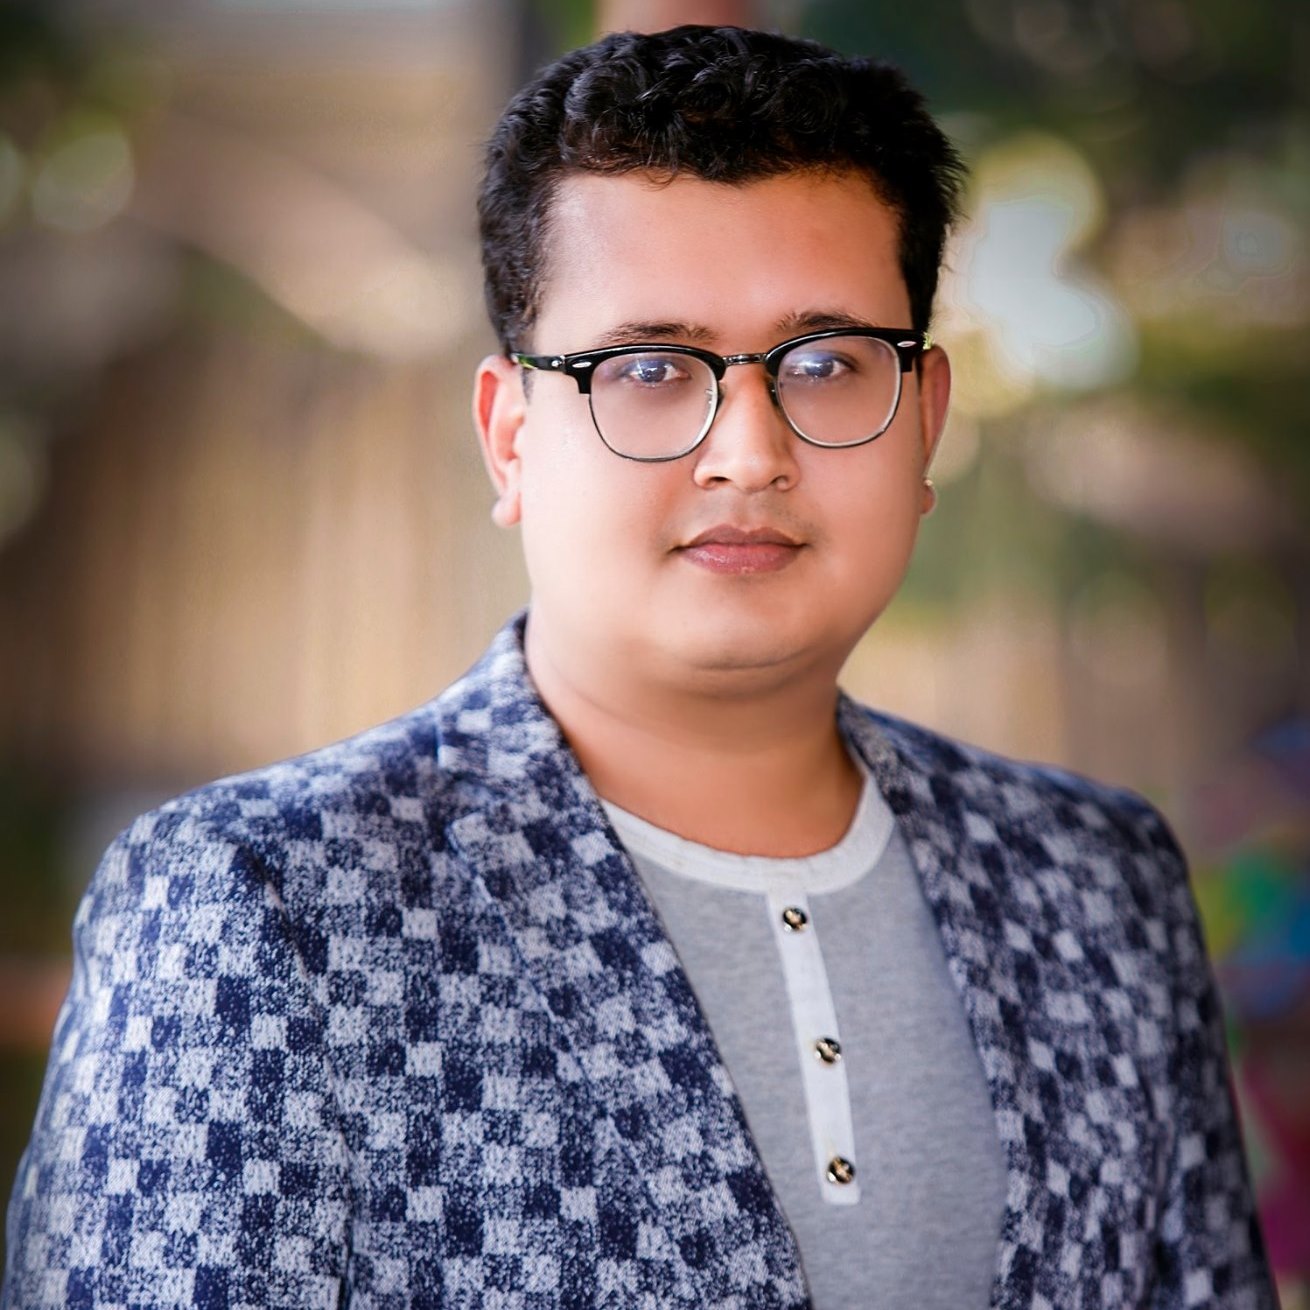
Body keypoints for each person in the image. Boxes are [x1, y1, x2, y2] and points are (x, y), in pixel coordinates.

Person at [3, 24, 1276, 1310]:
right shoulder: (261, 901)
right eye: (651, 369)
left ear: (924, 419)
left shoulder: (1098, 885)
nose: (748, 452)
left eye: (825, 364)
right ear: (510, 437)